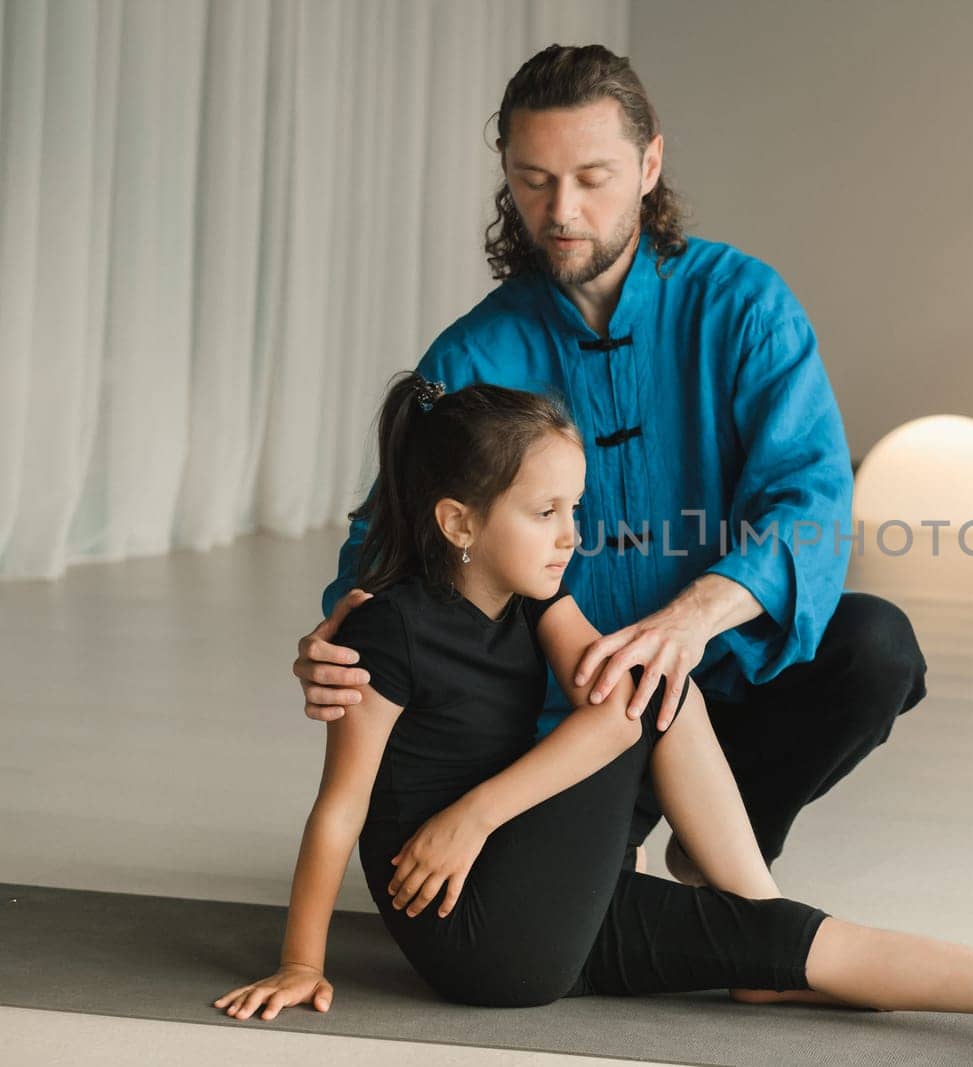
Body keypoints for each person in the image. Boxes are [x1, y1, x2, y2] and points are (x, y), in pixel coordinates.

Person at [215, 375, 973, 1051]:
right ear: (459, 522)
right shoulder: (389, 629)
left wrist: (481, 811)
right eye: (545, 511)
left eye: (575, 508)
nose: (572, 534)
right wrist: (301, 959)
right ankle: (751, 897)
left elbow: (608, 694)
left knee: (779, 945)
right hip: (478, 927)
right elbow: (339, 810)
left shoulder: (537, 599)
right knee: (652, 676)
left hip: (531, 900)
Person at [294, 43, 928, 883]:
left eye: (592, 178)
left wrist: (690, 620)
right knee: (570, 927)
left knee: (876, 647)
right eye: (533, 179)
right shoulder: (475, 350)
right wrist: (342, 637)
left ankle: (729, 852)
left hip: (724, 676)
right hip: (563, 712)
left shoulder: (744, 305)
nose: (560, 210)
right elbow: (394, 534)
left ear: (649, 163)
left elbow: (809, 502)